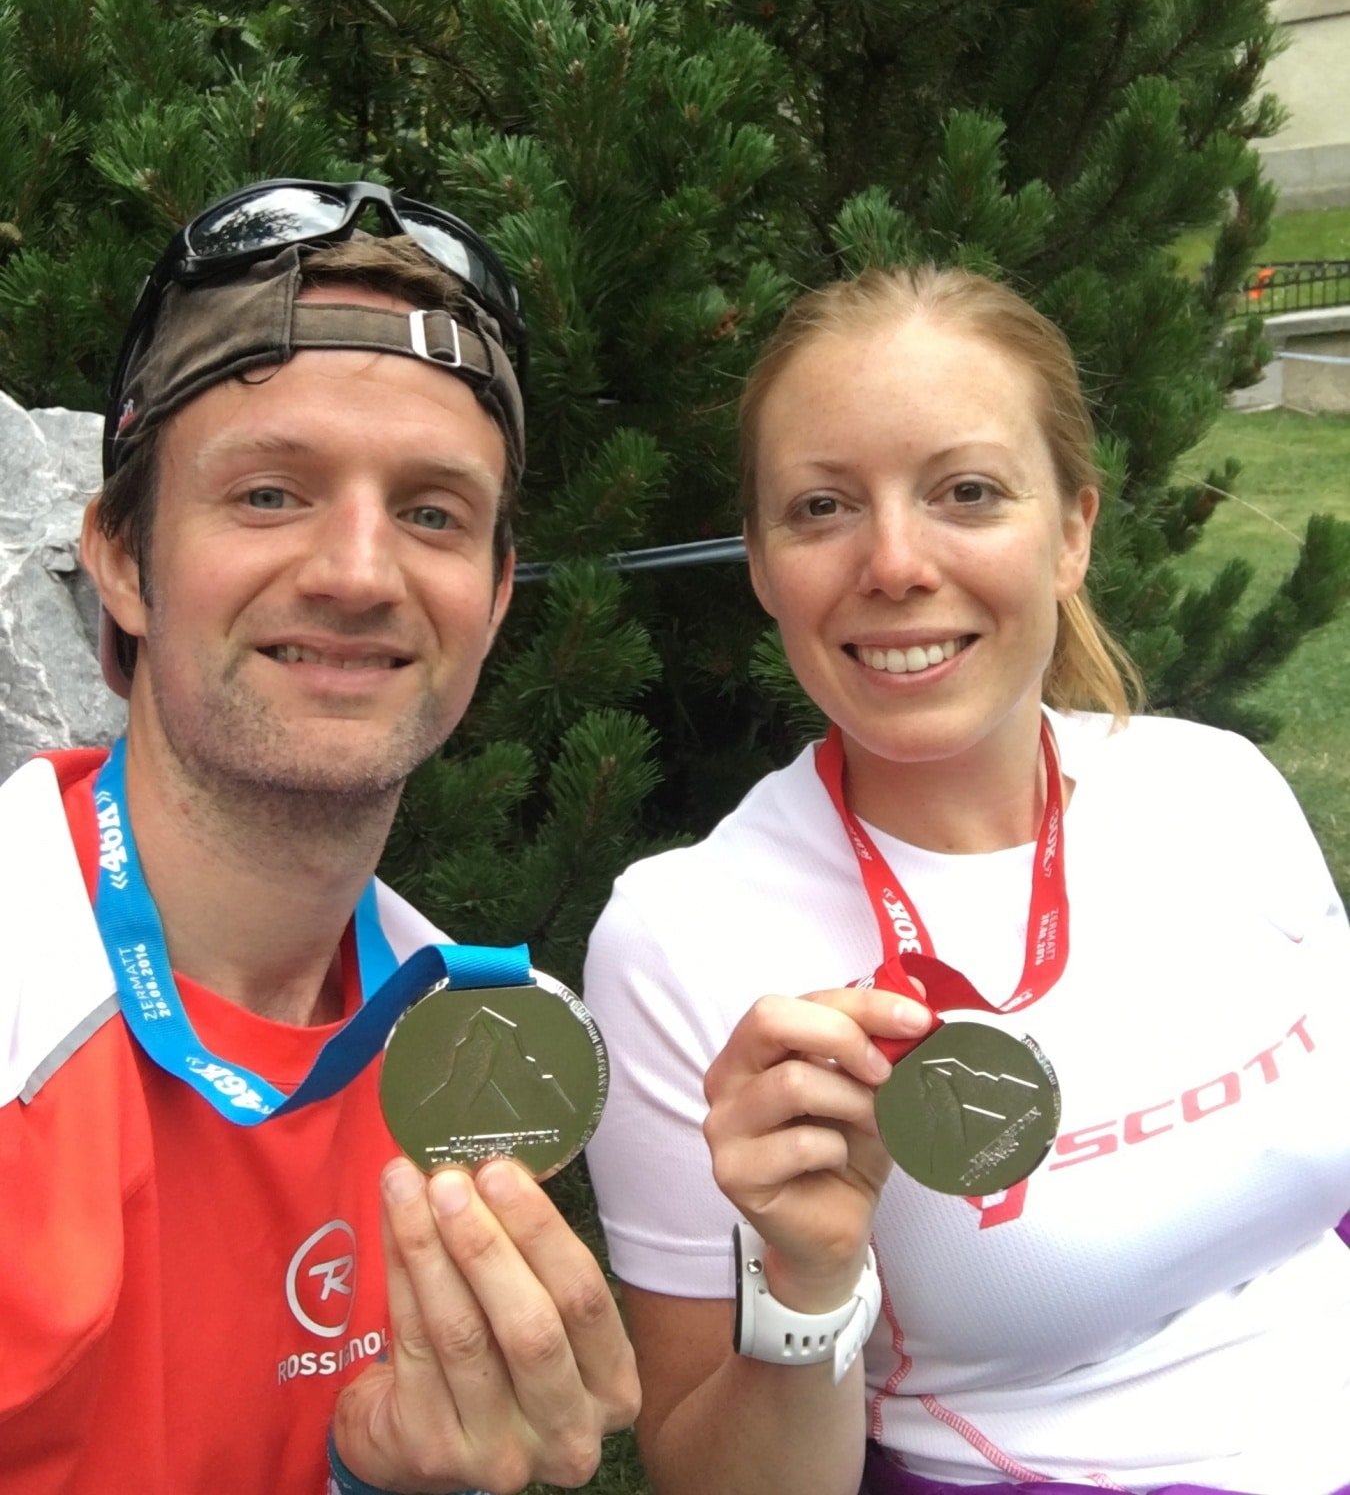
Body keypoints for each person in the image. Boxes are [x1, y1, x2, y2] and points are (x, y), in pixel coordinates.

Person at [583, 264, 1350, 1495]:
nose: (894, 562)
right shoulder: (685, 939)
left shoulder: (1222, 793)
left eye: (969, 492)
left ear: (1073, 533)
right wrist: (808, 1281)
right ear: (766, 568)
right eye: (823, 506)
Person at [0, 181, 639, 1495]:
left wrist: (378, 1478)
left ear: (494, 597)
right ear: (121, 559)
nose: (357, 572)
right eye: (271, 494)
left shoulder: (466, 1056)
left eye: (431, 513)